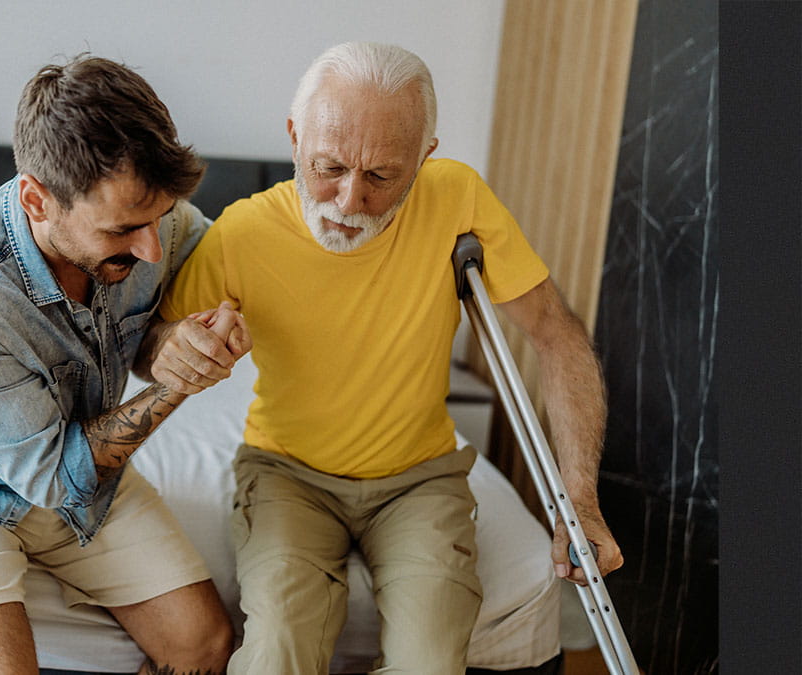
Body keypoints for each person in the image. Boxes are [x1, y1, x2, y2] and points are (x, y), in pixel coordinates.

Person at [158, 42, 623, 674]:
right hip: (288, 475)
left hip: (419, 478)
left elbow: (556, 334)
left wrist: (580, 501)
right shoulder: (241, 234)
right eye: (328, 167)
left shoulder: (456, 194)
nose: (350, 200)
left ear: (424, 157)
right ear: (295, 137)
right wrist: (184, 348)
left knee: (432, 664)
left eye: (382, 176)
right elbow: (153, 346)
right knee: (276, 654)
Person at [0, 55, 251, 675]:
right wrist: (176, 386)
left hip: (90, 486)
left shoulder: (154, 220)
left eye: (160, 219)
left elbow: (204, 286)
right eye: (125, 229)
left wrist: (180, 336)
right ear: (36, 200)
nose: (152, 247)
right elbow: (53, 476)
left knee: (206, 645)